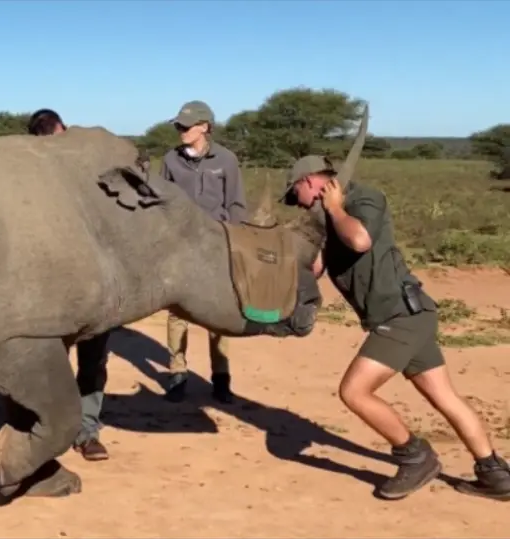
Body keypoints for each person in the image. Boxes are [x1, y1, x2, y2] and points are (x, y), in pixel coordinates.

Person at [282, 155, 510, 501]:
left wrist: (336, 209)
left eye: (294, 192)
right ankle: (494, 474)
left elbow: (360, 241)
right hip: (404, 317)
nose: (295, 202)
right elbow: (316, 268)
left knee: (354, 392)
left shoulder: (363, 199)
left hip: (400, 316)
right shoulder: (329, 219)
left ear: (309, 182)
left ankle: (415, 457)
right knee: (444, 397)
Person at [26, 108, 110, 461]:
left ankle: (87, 430)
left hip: (94, 282)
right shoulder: (30, 178)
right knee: (47, 362)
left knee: (93, 359)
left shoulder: (94, 171)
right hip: (49, 285)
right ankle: (44, 429)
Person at [159, 101, 246, 405]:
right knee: (176, 310)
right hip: (180, 244)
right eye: (178, 125)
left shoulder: (227, 160)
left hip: (217, 244)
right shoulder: (170, 160)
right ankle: (177, 374)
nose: (180, 130)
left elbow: (235, 203)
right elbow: (161, 201)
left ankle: (221, 380)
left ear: (205, 127)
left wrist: (233, 239)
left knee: (218, 312)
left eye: (186, 125)